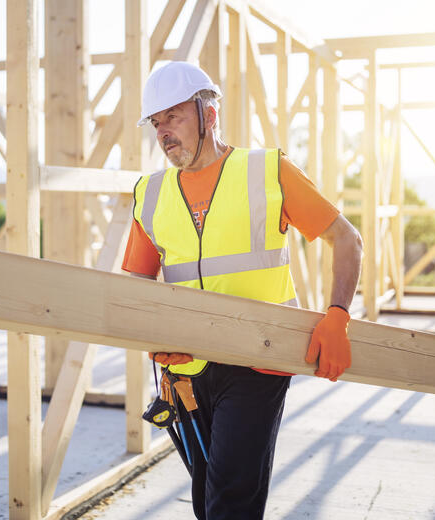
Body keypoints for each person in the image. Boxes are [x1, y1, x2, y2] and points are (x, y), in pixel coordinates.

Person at [122, 61, 363, 520]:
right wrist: (151, 339)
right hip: (185, 373)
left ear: (208, 114)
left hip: (257, 364)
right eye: (156, 123)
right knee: (206, 498)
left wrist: (337, 315)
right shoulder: (150, 193)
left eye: (173, 117)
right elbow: (137, 285)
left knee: (230, 501)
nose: (163, 132)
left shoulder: (267, 171)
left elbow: (346, 239)